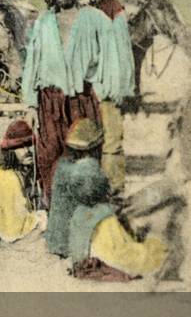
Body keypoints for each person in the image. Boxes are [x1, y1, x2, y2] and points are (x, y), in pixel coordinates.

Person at [21, 0, 110, 206]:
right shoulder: (43, 22)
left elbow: (110, 58)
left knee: (86, 156)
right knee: (50, 156)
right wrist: (30, 105)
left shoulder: (95, 18)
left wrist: (104, 93)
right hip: (49, 102)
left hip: (83, 101)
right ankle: (56, 212)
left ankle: (87, 211)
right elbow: (32, 64)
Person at [44, 118, 167, 278]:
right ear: (94, 148)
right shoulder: (88, 169)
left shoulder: (62, 165)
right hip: (80, 238)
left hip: (61, 240)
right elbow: (93, 199)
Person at [78, 0, 135, 194]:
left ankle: (115, 191)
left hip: (107, 85)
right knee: (84, 140)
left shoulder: (114, 9)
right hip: (82, 87)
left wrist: (119, 84)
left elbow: (123, 51)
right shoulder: (74, 8)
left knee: (112, 140)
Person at [0, 119, 48, 247]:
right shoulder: (7, 177)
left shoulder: (28, 172)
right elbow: (12, 227)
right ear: (10, 151)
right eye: (20, 147)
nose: (27, 150)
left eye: (29, 144)